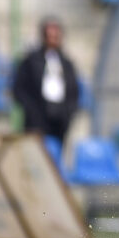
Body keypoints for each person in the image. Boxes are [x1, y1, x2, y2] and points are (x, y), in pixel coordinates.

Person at [12, 17, 80, 147]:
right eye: (50, 36)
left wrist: (68, 113)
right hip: (37, 119)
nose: (53, 39)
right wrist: (32, 111)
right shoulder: (30, 61)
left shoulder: (67, 64)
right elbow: (19, 89)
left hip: (60, 121)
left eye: (56, 36)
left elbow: (73, 91)